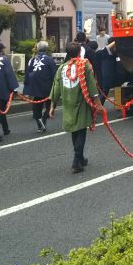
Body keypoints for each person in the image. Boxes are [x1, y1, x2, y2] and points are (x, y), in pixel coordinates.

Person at [49, 42, 100, 173]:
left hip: (67, 104)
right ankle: (76, 161)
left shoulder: (62, 68)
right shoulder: (85, 66)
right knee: (81, 131)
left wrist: (52, 106)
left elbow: (55, 88)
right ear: (79, 52)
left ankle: (80, 158)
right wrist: (98, 104)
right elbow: (92, 86)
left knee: (74, 131)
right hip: (81, 103)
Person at [25, 41, 56, 132]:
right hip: (47, 86)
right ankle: (44, 119)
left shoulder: (32, 60)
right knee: (50, 104)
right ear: (46, 49)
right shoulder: (49, 60)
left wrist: (27, 87)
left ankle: (39, 123)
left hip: (35, 86)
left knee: (37, 105)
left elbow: (28, 73)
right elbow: (54, 74)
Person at [0, 42, 18, 139]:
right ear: (1, 50)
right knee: (1, 110)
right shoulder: (5, 59)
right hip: (2, 88)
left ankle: (6, 129)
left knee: (0, 109)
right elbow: (9, 74)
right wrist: (13, 88)